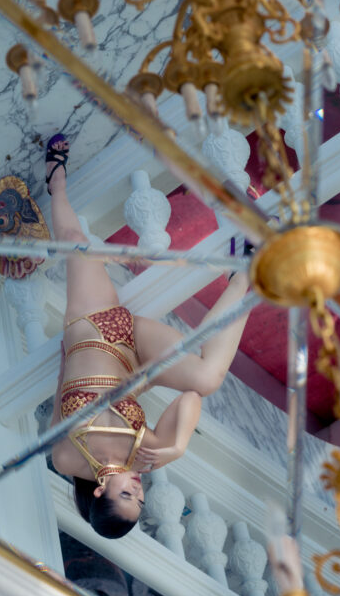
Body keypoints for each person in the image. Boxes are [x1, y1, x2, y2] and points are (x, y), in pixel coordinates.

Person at [44, 134, 251, 539]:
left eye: (127, 498)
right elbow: (190, 399)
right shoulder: (142, 456)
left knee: (73, 243)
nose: (139, 493)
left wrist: (67, 355)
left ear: (100, 491)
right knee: (207, 379)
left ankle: (56, 183)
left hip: (93, 326)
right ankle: (247, 274)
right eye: (139, 502)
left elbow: (57, 408)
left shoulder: (66, 458)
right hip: (137, 351)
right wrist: (177, 447)